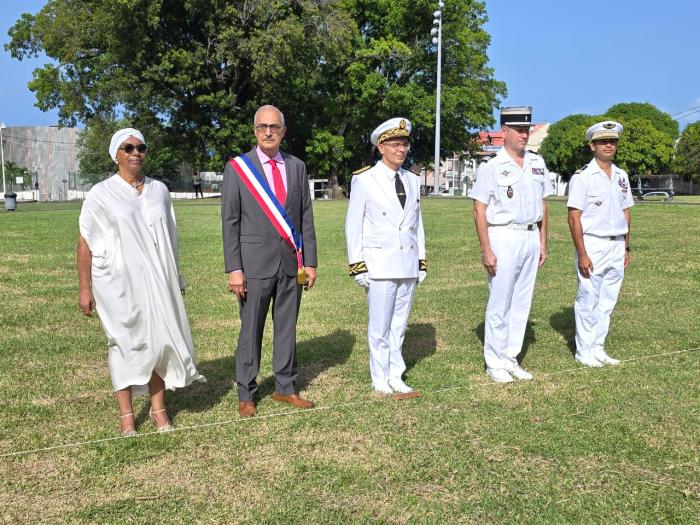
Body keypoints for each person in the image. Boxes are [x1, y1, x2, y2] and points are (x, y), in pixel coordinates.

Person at [77, 128, 205, 436]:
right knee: (125, 343)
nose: (135, 153)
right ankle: (127, 417)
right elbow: (86, 242)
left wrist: (176, 278)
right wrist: (85, 288)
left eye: (140, 147)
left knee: (159, 341)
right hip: (117, 283)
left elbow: (171, 237)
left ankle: (160, 412)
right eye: (128, 148)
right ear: (116, 155)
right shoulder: (101, 194)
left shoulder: (159, 190)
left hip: (159, 280)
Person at [221, 105, 318, 417]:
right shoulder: (238, 168)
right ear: (254, 130)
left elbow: (305, 216)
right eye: (262, 126)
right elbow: (230, 222)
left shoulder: (297, 167)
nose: (268, 132)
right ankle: (246, 392)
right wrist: (234, 268)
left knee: (287, 327)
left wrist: (311, 261)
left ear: (283, 132)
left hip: (291, 264)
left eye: (274, 127)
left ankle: (285, 387)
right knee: (251, 329)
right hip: (253, 265)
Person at [468, 107, 552, 383]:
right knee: (500, 301)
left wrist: (542, 241)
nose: (524, 135)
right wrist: (486, 249)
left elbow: (542, 204)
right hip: (503, 235)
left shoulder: (536, 163)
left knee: (521, 302)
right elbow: (479, 209)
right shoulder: (492, 167)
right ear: (504, 132)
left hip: (529, 235)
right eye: (519, 130)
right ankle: (494, 361)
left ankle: (510, 357)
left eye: (527, 130)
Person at [345, 118, 426, 396]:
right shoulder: (365, 179)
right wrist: (357, 264)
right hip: (379, 264)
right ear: (381, 147)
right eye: (394, 144)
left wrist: (421, 259)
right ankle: (379, 376)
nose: (401, 150)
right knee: (379, 326)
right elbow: (353, 225)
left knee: (399, 324)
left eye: (404, 144)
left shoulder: (412, 180)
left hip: (406, 263)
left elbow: (417, 224)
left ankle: (396, 373)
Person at [567, 120, 632, 367]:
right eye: (603, 141)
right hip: (592, 243)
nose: (609, 145)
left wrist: (626, 246)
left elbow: (626, 212)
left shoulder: (621, 176)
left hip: (616, 244)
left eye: (613, 141)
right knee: (588, 298)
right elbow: (574, 217)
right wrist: (582, 253)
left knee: (607, 300)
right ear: (592, 145)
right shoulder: (582, 177)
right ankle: (584, 351)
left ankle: (598, 347)